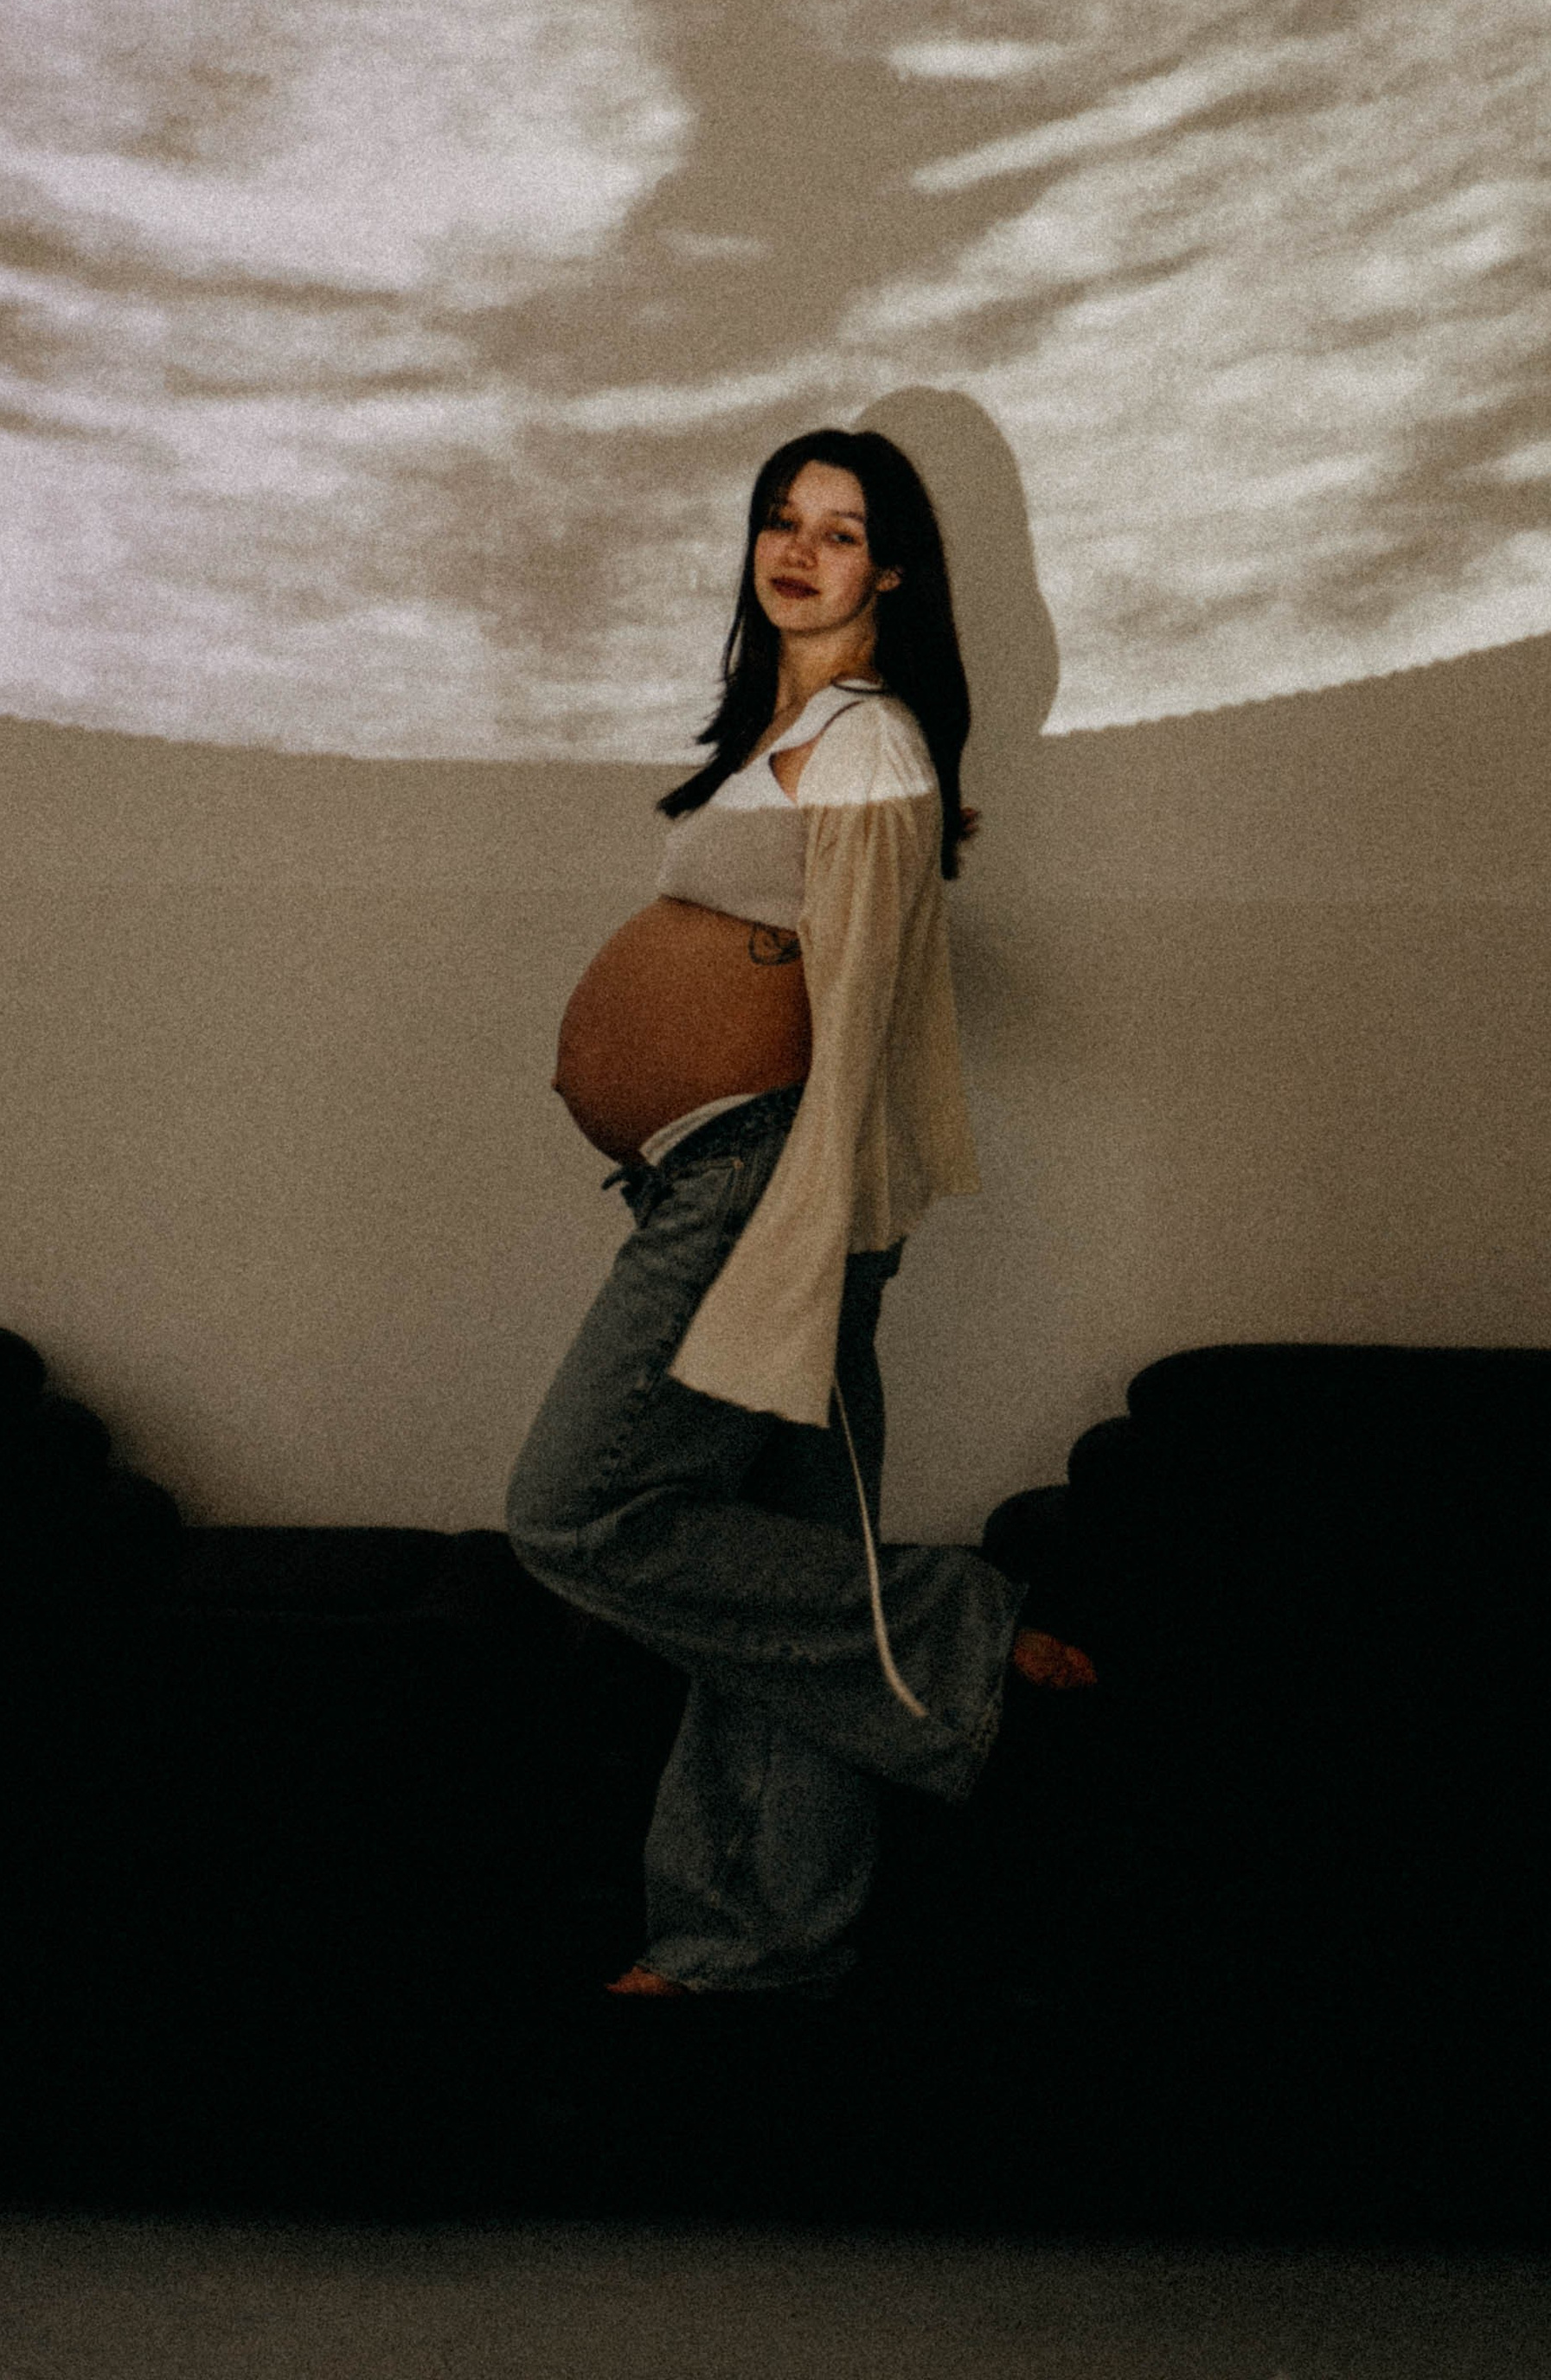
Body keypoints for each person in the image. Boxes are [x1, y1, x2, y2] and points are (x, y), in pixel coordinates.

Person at [505, 425, 1092, 2003]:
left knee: (576, 1510)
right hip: (721, 1175)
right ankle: (749, 1944)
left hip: (771, 1179)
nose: (800, 551)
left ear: (890, 569)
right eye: (782, 519)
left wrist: (811, 1224)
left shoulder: (873, 739)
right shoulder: (798, 729)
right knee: (780, 1554)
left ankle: (955, 1631)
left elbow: (866, 996)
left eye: (840, 531)